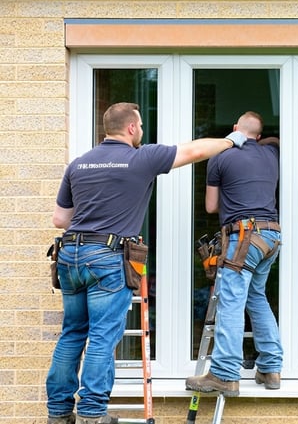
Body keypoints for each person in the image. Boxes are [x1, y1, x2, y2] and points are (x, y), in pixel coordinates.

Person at [46, 102, 247, 424]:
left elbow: (60, 219)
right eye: (139, 126)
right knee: (101, 337)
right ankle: (91, 414)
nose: (140, 131)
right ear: (131, 128)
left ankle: (58, 413)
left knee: (72, 334)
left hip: (69, 255)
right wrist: (232, 140)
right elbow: (195, 151)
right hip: (107, 257)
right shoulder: (140, 157)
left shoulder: (78, 164)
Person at [185, 111, 282, 397]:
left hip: (244, 237)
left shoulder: (221, 157)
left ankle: (225, 374)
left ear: (234, 130)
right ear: (259, 136)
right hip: (271, 235)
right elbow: (275, 141)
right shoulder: (271, 155)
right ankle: (270, 368)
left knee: (230, 302)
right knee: (256, 297)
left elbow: (211, 206)